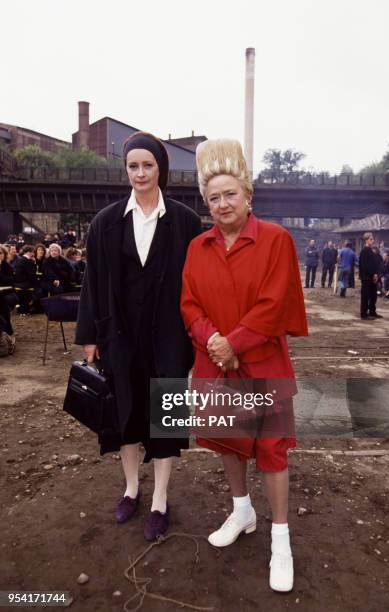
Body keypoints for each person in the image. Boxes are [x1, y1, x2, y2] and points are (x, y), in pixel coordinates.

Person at [181, 139, 308, 592]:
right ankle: (241, 510)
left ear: (247, 196)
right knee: (229, 443)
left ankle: (281, 540)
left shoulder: (276, 239)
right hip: (215, 363)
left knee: (272, 452)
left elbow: (276, 304)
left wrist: (233, 343)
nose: (222, 204)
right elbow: (189, 302)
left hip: (262, 363)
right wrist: (211, 339)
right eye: (213, 198)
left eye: (230, 194)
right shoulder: (198, 246)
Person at [75, 131, 201, 541]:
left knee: (164, 416)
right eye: (133, 166)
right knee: (125, 412)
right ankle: (131, 488)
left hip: (168, 338)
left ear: (160, 169)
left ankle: (161, 499)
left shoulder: (185, 221)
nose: (140, 173)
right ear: (125, 169)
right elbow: (92, 283)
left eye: (148, 165)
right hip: (120, 336)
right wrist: (89, 336)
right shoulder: (105, 222)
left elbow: (198, 285)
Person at [359, 232, 382, 320]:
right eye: (371, 239)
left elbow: (374, 264)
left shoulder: (371, 251)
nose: (373, 240)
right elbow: (364, 266)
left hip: (372, 277)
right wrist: (373, 274)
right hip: (366, 278)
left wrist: (376, 274)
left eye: (373, 239)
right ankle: (363, 314)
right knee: (365, 296)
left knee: (373, 295)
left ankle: (372, 311)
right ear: (366, 240)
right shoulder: (364, 251)